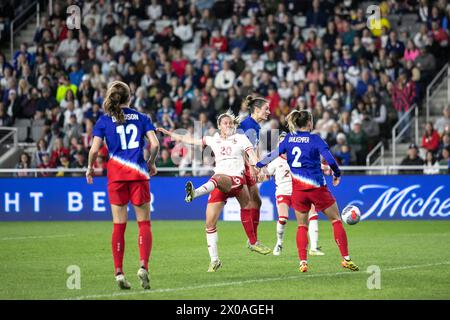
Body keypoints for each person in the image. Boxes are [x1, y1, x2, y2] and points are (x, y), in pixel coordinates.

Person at [157, 112, 270, 273]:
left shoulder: (241, 138)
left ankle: (195, 193)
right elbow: (190, 140)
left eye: (231, 123)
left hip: (235, 179)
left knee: (219, 179)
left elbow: (252, 156)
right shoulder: (213, 139)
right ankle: (215, 260)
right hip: (218, 184)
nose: (229, 125)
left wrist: (260, 167)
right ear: (219, 126)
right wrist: (171, 134)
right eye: (225, 123)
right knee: (210, 222)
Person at [256, 109, 359, 273]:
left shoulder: (289, 139)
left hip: (298, 191)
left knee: (302, 226)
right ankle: (346, 258)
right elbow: (330, 159)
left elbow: (274, 154)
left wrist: (259, 165)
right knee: (336, 220)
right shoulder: (315, 139)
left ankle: (303, 262)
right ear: (309, 123)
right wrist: (337, 174)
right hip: (317, 188)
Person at [86, 81, 160, 290]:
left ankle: (119, 272)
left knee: (119, 226)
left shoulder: (103, 121)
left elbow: (93, 151)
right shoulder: (143, 118)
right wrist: (151, 163)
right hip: (138, 174)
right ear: (130, 97)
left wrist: (90, 168)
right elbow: (155, 144)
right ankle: (143, 267)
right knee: (144, 223)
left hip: (116, 177)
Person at [260, 132, 325, 256]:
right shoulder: (275, 160)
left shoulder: (298, 156)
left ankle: (314, 247)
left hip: (299, 191)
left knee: (313, 214)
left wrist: (323, 167)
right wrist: (259, 172)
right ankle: (279, 243)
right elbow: (265, 176)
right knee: (283, 218)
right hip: (283, 193)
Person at [238, 95, 271, 252]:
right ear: (257, 110)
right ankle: (253, 241)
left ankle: (253, 240)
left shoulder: (255, 126)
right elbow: (242, 148)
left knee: (256, 201)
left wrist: (261, 166)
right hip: (238, 167)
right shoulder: (247, 125)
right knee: (249, 202)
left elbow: (254, 150)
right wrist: (252, 168)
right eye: (266, 109)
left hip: (247, 166)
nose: (269, 112)